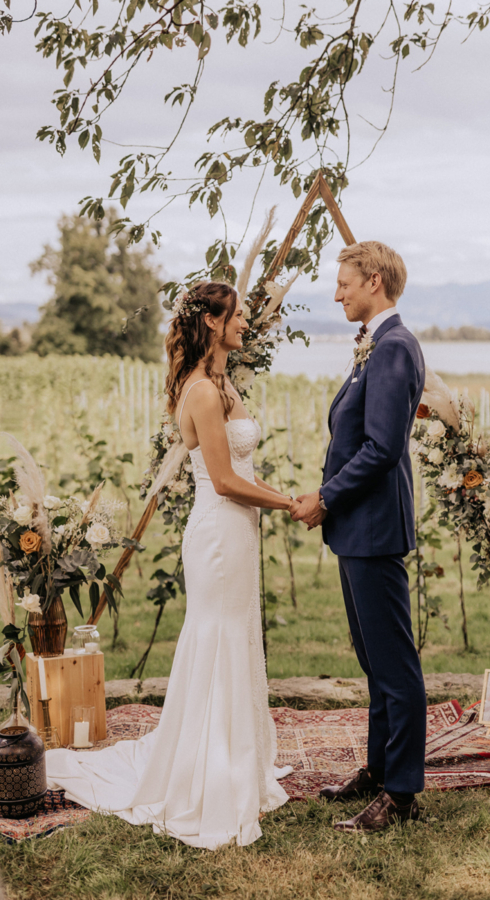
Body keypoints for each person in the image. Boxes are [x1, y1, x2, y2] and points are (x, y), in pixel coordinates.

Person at [46, 281, 298, 849]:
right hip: (217, 534)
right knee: (218, 636)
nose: (245, 324)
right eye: (237, 316)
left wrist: (289, 495)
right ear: (212, 321)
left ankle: (237, 760)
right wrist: (288, 505)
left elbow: (244, 471)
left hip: (238, 533)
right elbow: (227, 481)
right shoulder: (204, 393)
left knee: (237, 634)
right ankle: (211, 772)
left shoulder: (224, 381)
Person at [291, 241, 427, 834]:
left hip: (372, 528)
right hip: (358, 530)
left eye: (344, 283)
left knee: (395, 666)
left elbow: (381, 448)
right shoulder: (375, 347)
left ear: (373, 281)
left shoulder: (394, 348)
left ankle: (400, 795)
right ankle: (377, 768)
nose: (337, 292)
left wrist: (326, 497)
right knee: (373, 659)